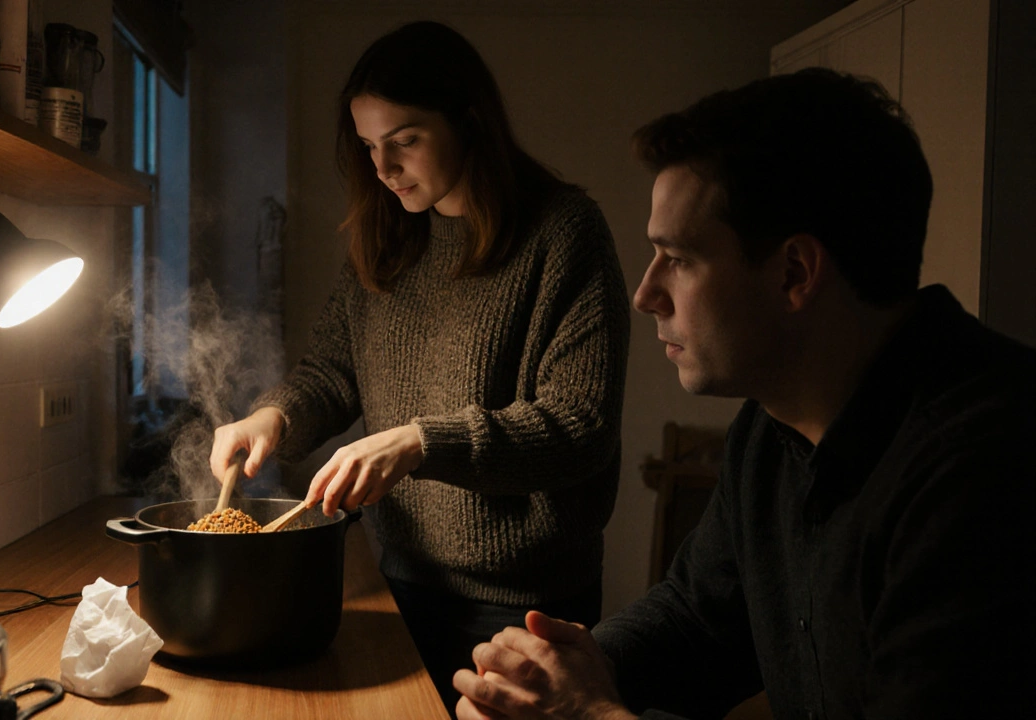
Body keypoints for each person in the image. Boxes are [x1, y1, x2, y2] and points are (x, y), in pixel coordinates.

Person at [453, 68, 1036, 719]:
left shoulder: (990, 467)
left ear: (794, 272)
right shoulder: (772, 427)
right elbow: (697, 619)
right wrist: (542, 678)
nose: (646, 295)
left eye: (677, 257)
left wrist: (588, 714)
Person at [208, 20, 630, 710]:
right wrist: (272, 415)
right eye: (369, 146)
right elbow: (332, 372)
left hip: (524, 605)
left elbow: (579, 428)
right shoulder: (389, 234)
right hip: (398, 580)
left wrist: (420, 442)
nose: (383, 168)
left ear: (470, 123)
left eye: (404, 141)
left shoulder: (563, 232)